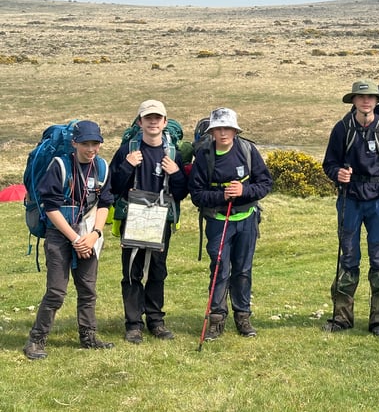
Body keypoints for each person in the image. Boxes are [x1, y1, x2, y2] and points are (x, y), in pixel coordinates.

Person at [23, 120, 114, 359]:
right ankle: (36, 340)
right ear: (74, 143)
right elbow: (51, 208)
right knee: (56, 291)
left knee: (88, 290)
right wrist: (75, 239)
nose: (91, 149)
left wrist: (94, 235)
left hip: (88, 233)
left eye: (95, 143)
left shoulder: (102, 167)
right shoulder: (59, 166)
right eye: (85, 143)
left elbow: (105, 203)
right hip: (60, 234)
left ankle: (89, 336)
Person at [322, 79, 379, 337]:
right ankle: (342, 317)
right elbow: (329, 163)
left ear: (377, 101)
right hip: (349, 200)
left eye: (370, 98)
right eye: (361, 97)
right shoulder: (342, 128)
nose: (366, 102)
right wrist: (338, 174)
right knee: (348, 257)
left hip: (378, 200)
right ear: (354, 101)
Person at [189, 107, 272, 339]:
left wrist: (244, 190)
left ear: (235, 131)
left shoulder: (247, 150)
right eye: (218, 129)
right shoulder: (204, 156)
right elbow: (196, 194)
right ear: (212, 131)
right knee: (219, 268)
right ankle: (216, 319)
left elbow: (265, 183)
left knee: (243, 271)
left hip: (247, 220)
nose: (223, 133)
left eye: (227, 128)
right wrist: (222, 196)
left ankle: (243, 317)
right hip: (217, 222)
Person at [110, 99, 188, 344]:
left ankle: (155, 321)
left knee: (157, 270)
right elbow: (112, 186)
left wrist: (175, 173)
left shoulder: (173, 152)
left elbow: (182, 193)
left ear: (165, 122)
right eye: (148, 118)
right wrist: (127, 166)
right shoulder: (127, 150)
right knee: (132, 271)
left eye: (157, 118)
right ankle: (133, 324)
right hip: (133, 216)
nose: (153, 122)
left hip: (160, 218)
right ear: (140, 122)